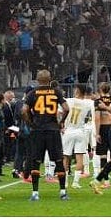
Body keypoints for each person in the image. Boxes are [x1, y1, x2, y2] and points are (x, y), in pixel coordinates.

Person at [22, 69, 69, 201]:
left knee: (36, 161)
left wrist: (30, 123)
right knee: (58, 160)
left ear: (37, 80)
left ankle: (35, 193)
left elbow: (24, 110)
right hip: (53, 129)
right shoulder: (56, 92)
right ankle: (63, 192)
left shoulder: (32, 93)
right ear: (49, 79)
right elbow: (66, 108)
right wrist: (61, 122)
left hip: (38, 130)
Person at [61, 84, 94, 189]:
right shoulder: (88, 103)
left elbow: (60, 111)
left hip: (68, 130)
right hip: (80, 131)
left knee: (66, 157)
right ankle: (75, 182)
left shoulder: (68, 101)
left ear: (78, 91)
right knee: (80, 157)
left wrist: (61, 123)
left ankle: (65, 182)